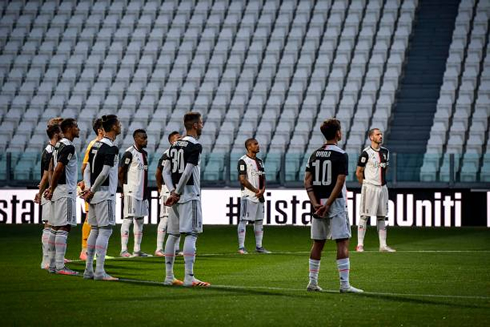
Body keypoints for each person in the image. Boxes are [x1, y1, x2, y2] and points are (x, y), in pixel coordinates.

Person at [304, 118, 363, 293]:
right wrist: (328, 204)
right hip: (335, 204)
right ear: (338, 133)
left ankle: (312, 282)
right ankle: (344, 285)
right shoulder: (341, 154)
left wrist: (316, 204)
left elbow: (307, 180)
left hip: (317, 203)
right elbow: (340, 180)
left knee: (318, 243)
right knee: (342, 243)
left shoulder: (314, 154)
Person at [163, 112, 209, 287]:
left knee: (173, 235)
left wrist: (172, 191)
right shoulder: (195, 146)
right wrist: (178, 192)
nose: (202, 126)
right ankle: (189, 277)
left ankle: (169, 276)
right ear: (196, 125)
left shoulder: (174, 145)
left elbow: (166, 172)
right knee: (191, 234)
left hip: (176, 197)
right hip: (189, 196)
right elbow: (188, 171)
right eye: (201, 123)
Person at [81, 115, 121, 281]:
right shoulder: (111, 148)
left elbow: (87, 170)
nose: (120, 126)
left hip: (94, 193)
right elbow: (105, 172)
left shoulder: (96, 145)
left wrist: (89, 189)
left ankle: (88, 270)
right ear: (112, 127)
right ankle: (99, 272)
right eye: (118, 124)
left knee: (95, 230)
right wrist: (93, 189)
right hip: (105, 194)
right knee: (105, 230)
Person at [44, 118, 80, 275]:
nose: (78, 129)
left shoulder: (58, 145)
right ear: (70, 128)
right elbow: (58, 168)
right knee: (64, 226)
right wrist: (52, 187)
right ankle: (60, 266)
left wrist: (52, 187)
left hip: (58, 189)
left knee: (53, 226)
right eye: (76, 127)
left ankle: (52, 264)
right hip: (66, 191)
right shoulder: (69, 146)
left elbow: (51, 167)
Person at [355, 128, 396, 253]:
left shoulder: (385, 152)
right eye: (378, 134)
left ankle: (383, 245)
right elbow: (358, 172)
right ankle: (360, 245)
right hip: (370, 187)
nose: (380, 136)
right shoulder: (365, 153)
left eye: (381, 134)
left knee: (382, 216)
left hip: (382, 188)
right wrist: (366, 184)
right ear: (371, 137)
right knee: (364, 216)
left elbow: (386, 169)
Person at [34, 121, 62, 269]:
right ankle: (45, 259)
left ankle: (53, 258)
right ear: (57, 134)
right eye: (61, 131)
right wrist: (42, 192)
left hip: (50, 191)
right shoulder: (49, 151)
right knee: (49, 225)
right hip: (49, 193)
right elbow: (46, 175)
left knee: (53, 225)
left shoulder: (53, 149)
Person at [119, 129, 151, 257]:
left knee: (140, 220)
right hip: (131, 191)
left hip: (142, 192)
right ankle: (123, 250)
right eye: (143, 138)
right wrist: (123, 189)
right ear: (136, 138)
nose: (145, 140)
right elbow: (121, 172)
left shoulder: (144, 154)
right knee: (128, 219)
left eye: (146, 137)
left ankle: (137, 250)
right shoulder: (129, 153)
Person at [237, 138, 270, 254]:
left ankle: (259, 246)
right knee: (243, 220)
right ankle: (241, 247)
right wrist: (257, 190)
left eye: (257, 143)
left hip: (259, 196)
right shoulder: (243, 161)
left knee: (259, 221)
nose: (258, 145)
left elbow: (263, 177)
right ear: (249, 147)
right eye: (255, 144)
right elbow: (242, 180)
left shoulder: (260, 161)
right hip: (248, 195)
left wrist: (263, 189)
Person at [78, 118, 105, 260]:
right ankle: (84, 250)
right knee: (89, 217)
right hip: (92, 188)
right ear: (100, 130)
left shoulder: (101, 144)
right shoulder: (93, 145)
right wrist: (86, 184)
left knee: (97, 220)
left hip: (98, 188)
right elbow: (84, 166)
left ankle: (92, 251)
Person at [155, 131, 182, 257]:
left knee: (178, 219)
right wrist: (160, 187)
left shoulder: (181, 153)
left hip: (177, 190)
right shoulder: (167, 154)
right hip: (168, 188)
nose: (180, 139)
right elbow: (159, 172)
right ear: (171, 141)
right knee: (165, 218)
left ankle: (176, 248)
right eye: (177, 138)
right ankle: (159, 248)